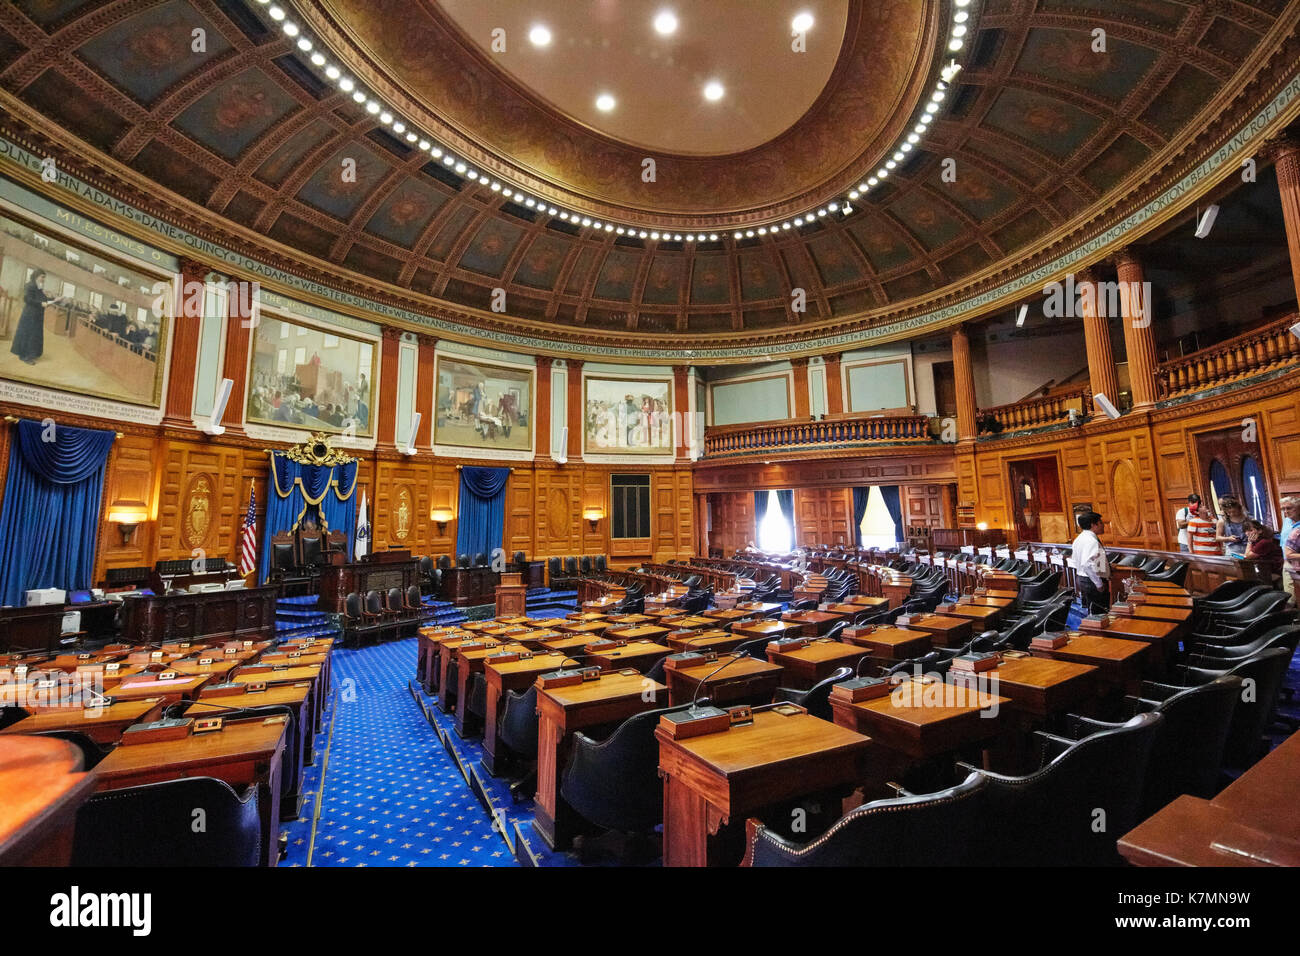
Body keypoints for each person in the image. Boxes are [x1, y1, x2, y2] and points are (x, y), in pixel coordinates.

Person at [10, 268, 61, 365]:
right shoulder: (29, 285)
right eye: (42, 277)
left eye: (44, 277)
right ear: (37, 276)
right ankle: (24, 356)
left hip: (36, 316)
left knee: (34, 335)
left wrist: (54, 299)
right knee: (28, 335)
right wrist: (41, 304)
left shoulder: (38, 287)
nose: (43, 279)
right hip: (29, 315)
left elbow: (43, 298)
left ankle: (31, 354)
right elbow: (27, 299)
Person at [1070, 511, 1110, 614]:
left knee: (1092, 611)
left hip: (1083, 578)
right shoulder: (1091, 541)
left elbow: (1075, 560)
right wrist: (1099, 584)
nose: (1103, 525)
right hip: (1092, 581)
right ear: (1093, 524)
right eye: (1100, 523)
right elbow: (1087, 564)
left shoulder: (1079, 539)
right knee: (1099, 614)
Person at [1243, 519, 1284, 583]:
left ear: (1260, 531)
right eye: (1245, 531)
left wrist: (1249, 542)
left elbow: (1247, 556)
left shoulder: (1264, 542)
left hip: (1276, 570)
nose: (1247, 533)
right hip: (1266, 569)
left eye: (1250, 530)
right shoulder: (1257, 541)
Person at [1282, 496, 1300, 599]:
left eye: (1289, 508)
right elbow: (1283, 543)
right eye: (1283, 509)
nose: (1286, 512)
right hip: (1289, 563)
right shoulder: (1287, 521)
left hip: (1296, 564)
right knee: (1290, 598)